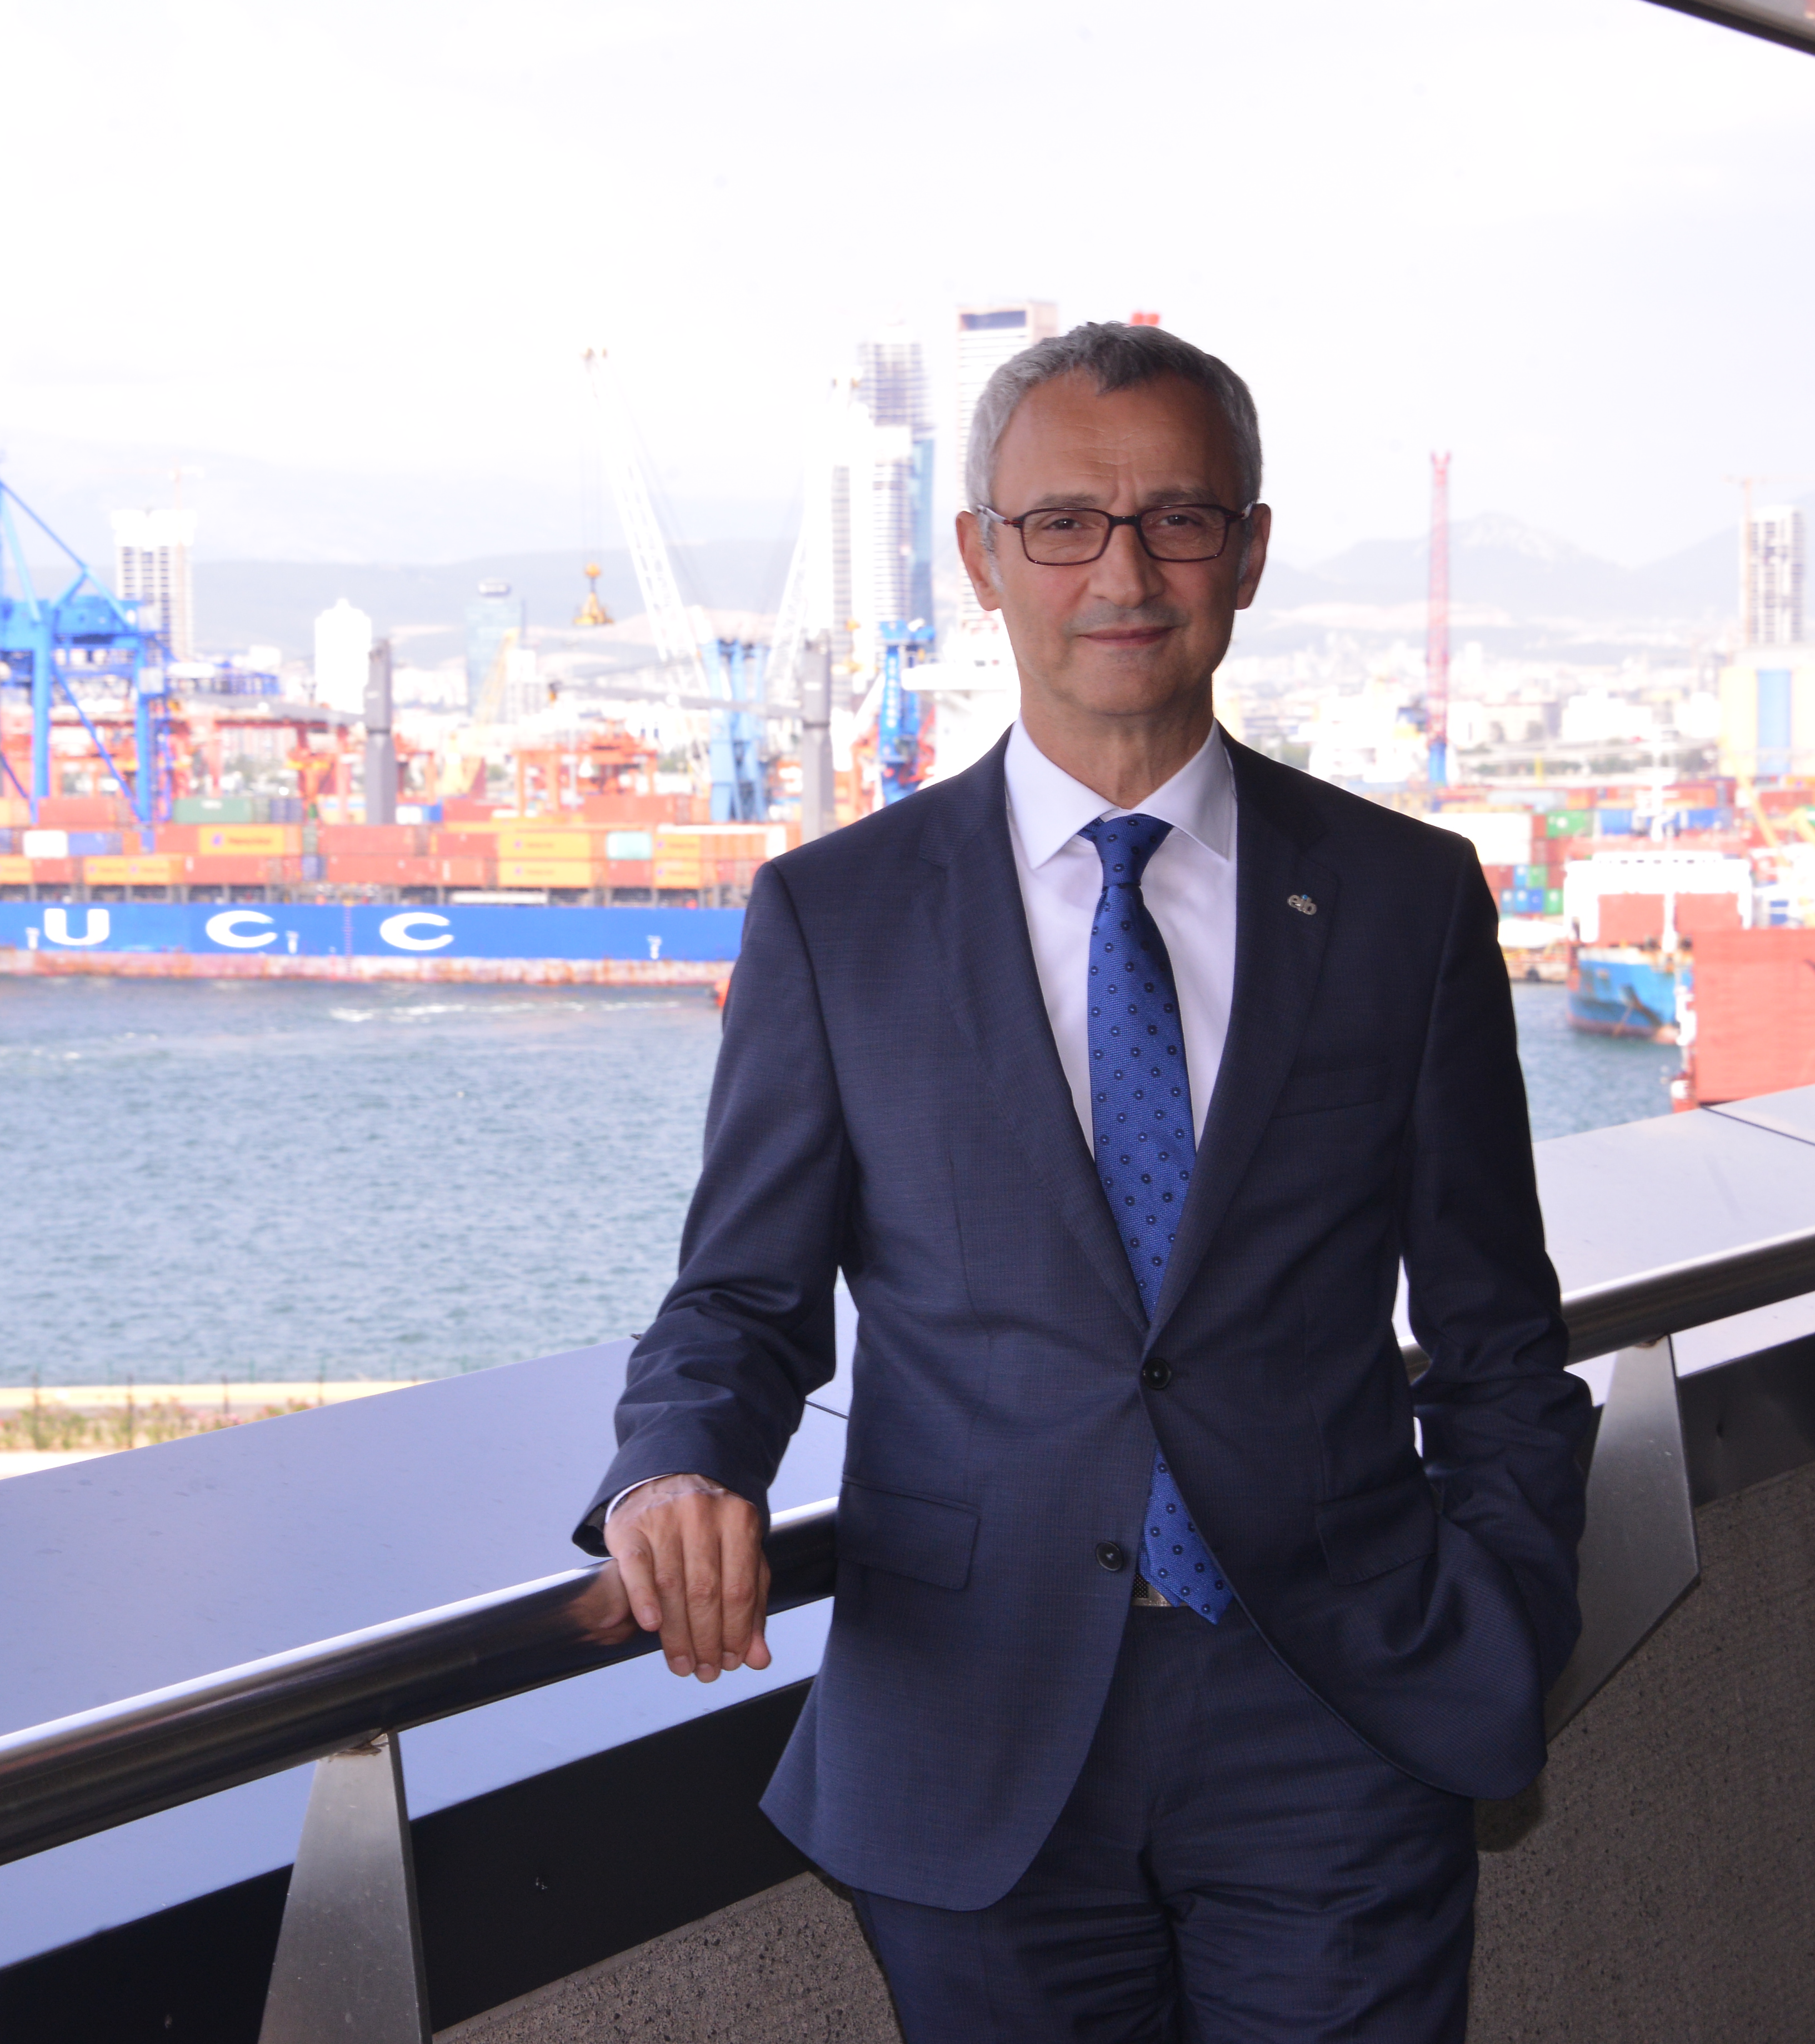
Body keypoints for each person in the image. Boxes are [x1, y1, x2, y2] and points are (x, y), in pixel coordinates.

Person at [577, 322, 1590, 2041]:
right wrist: (674, 1467)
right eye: (1063, 524)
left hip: (1339, 1713)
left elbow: (1498, 1326)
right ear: (983, 557)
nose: (1122, 574)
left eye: (1176, 520)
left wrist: (1506, 1608)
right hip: (973, 1726)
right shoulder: (837, 917)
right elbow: (742, 1297)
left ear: (1246, 552)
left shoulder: (1406, 900)